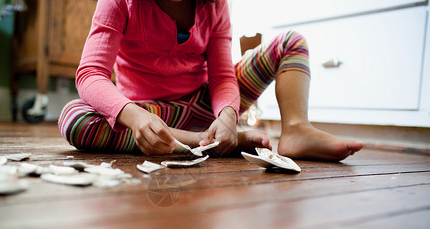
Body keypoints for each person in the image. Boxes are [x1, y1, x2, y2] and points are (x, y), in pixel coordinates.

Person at [58, 0, 363, 161]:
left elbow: (221, 76)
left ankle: (296, 130)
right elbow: (91, 74)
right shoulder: (118, 2)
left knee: (291, 41)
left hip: (205, 105)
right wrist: (134, 117)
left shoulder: (215, 5)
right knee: (74, 118)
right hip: (151, 114)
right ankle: (202, 142)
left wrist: (228, 115)